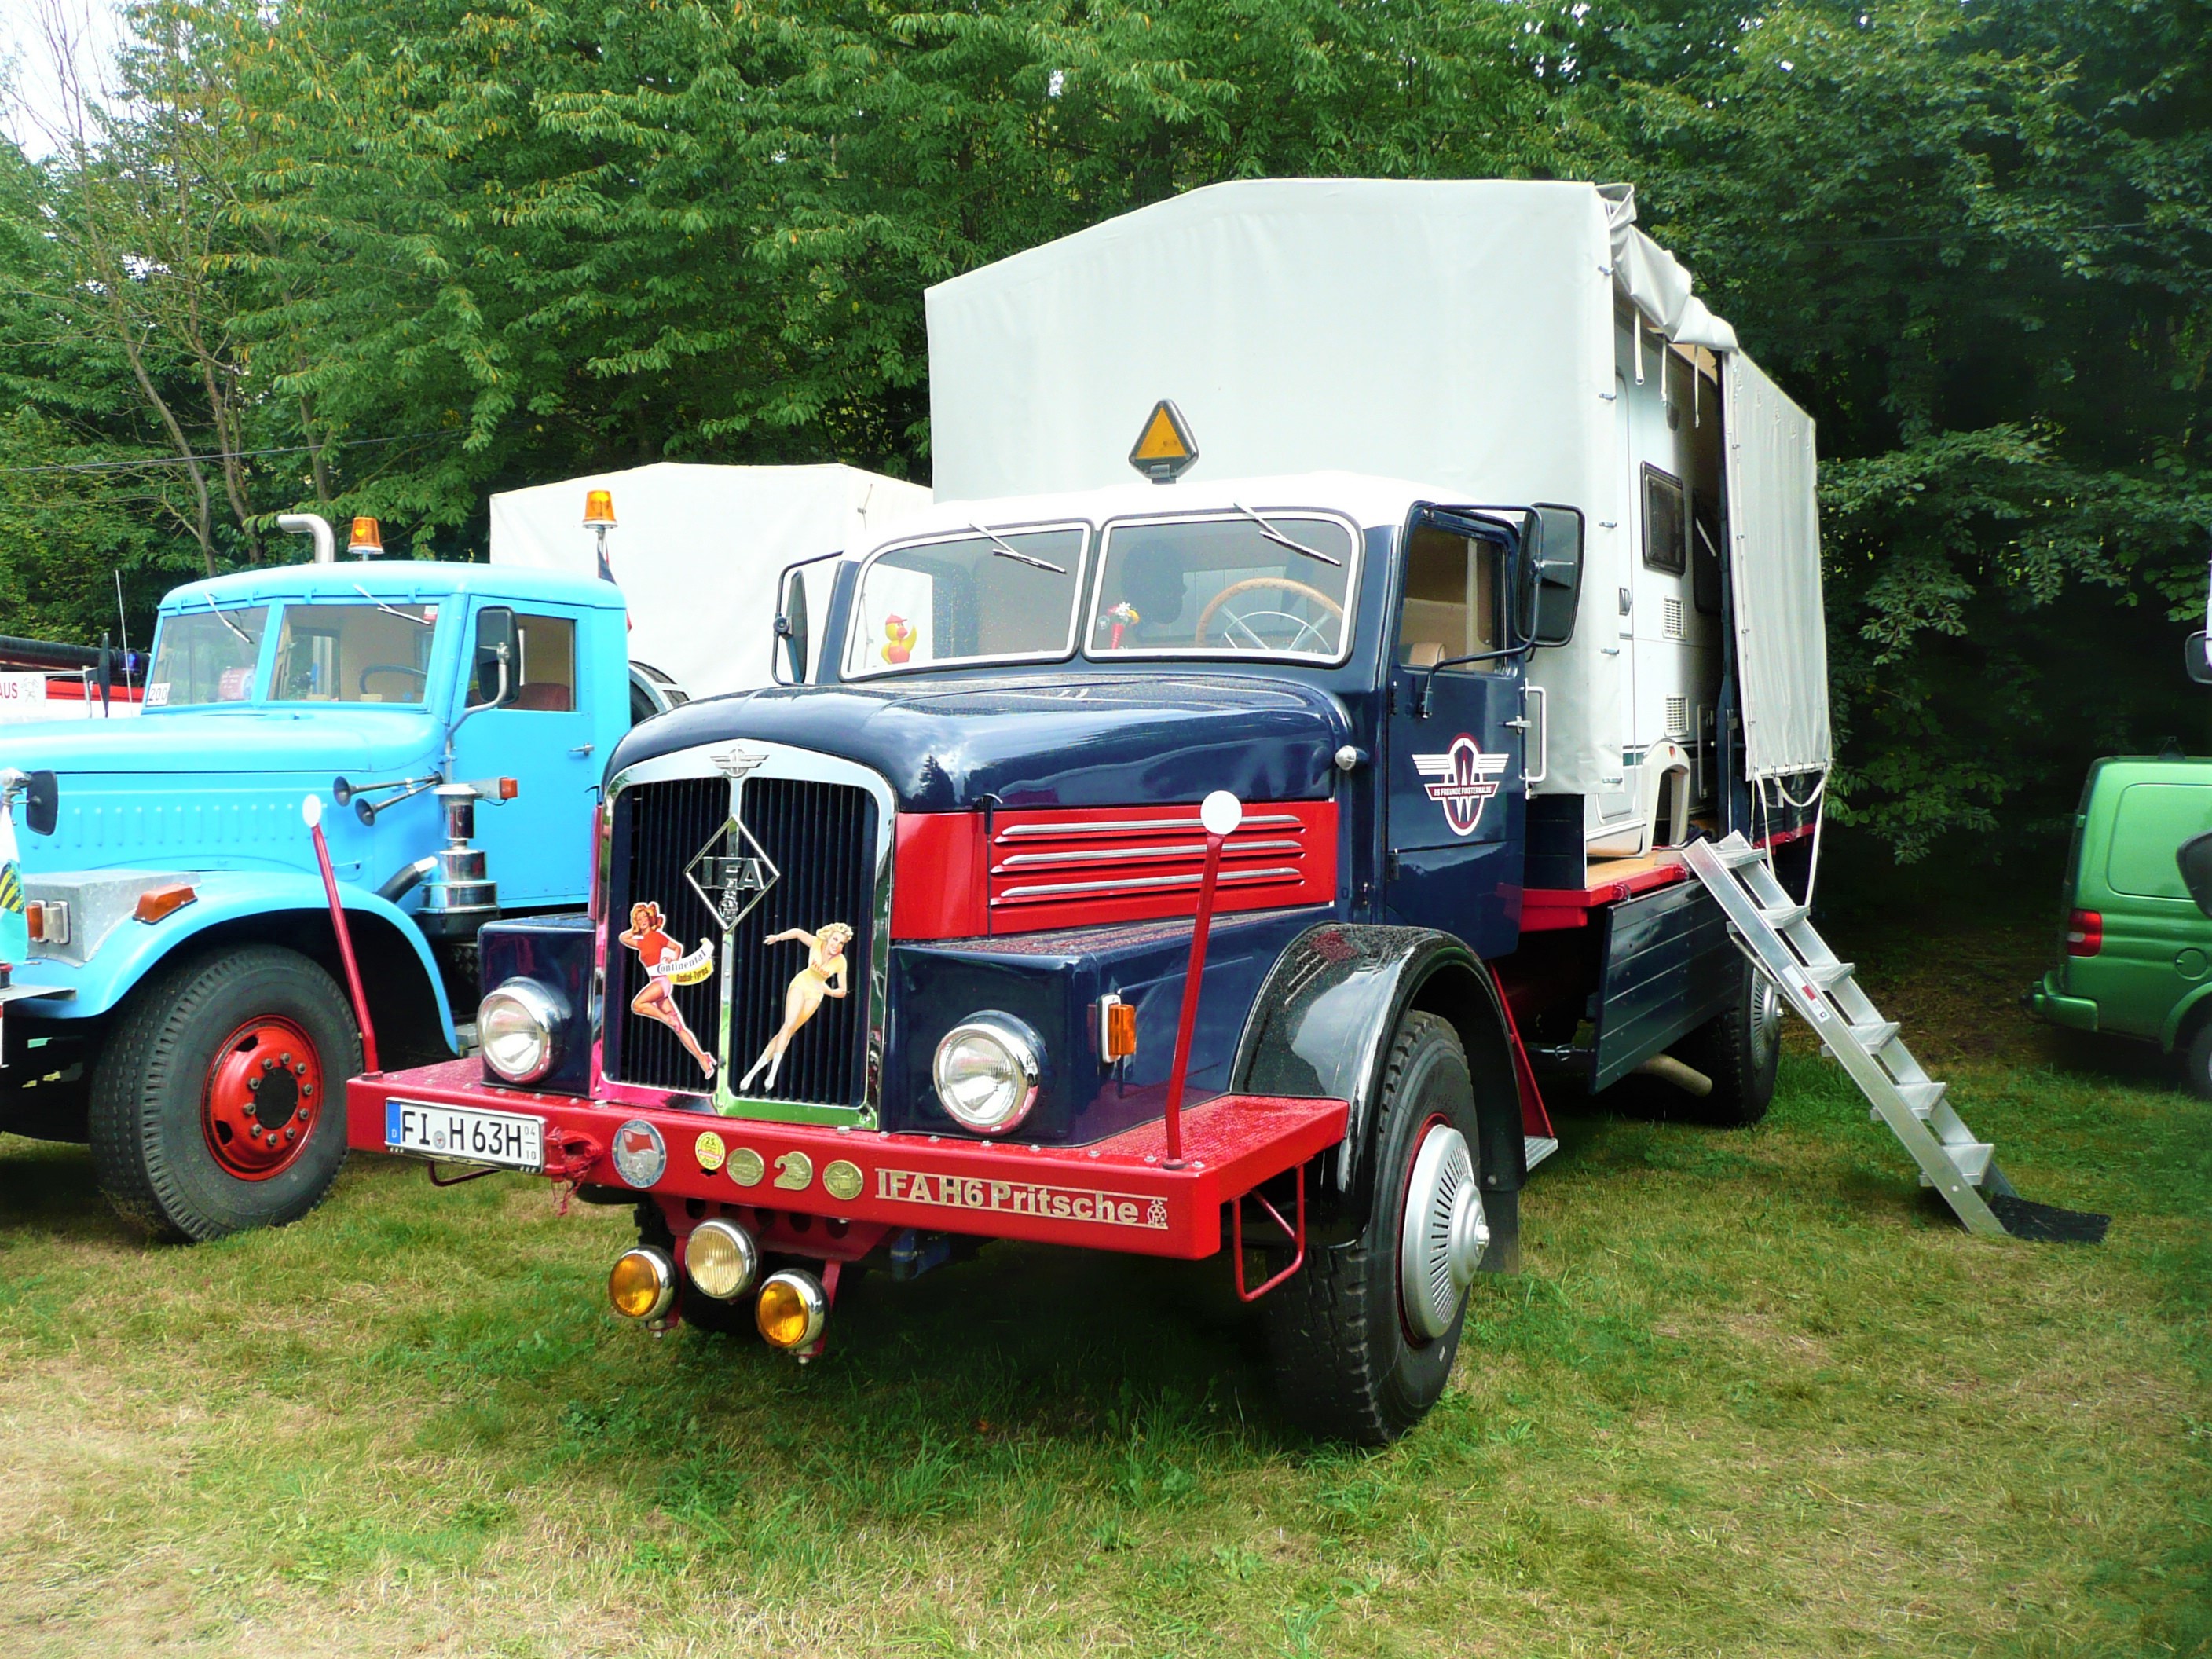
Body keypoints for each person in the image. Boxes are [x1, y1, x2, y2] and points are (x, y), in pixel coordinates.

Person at [738, 921, 854, 1093]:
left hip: (816, 994)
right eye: (835, 939)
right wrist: (778, 937)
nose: (836, 945)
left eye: (841, 943)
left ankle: (752, 1074)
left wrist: (829, 991)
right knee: (788, 1024)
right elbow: (798, 933)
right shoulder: (816, 943)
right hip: (801, 983)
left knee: (788, 1031)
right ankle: (772, 1073)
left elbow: (843, 991)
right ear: (829, 937)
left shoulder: (841, 962)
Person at [618, 901, 716, 1079]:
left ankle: (666, 1019)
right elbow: (623, 938)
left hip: (662, 982)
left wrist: (674, 960)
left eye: (644, 917)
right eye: (639, 919)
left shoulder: (658, 936)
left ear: (650, 918)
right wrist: (635, 928)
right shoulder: (640, 942)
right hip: (656, 982)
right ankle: (703, 1057)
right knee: (679, 1027)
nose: (642, 921)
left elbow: (676, 947)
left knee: (637, 1005)